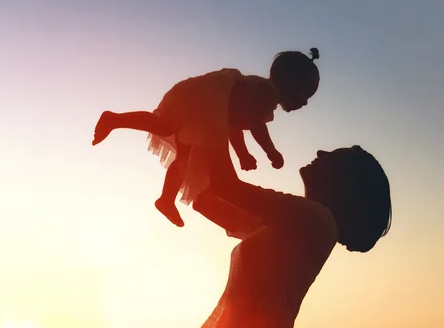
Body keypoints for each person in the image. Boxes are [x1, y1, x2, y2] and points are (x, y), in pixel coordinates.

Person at [102, 144, 392, 328]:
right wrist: (190, 146)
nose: (320, 153)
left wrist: (217, 113)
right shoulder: (290, 225)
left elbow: (226, 186)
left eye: (334, 156)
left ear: (346, 183)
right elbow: (207, 199)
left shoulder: (316, 219)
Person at [92, 49, 321, 227]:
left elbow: (233, 125)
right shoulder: (268, 93)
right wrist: (271, 152)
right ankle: (115, 119)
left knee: (177, 147)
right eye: (304, 95)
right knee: (172, 134)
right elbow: (254, 125)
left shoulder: (259, 95)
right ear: (291, 83)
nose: (305, 103)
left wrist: (243, 154)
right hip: (204, 108)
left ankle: (166, 198)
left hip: (203, 109)